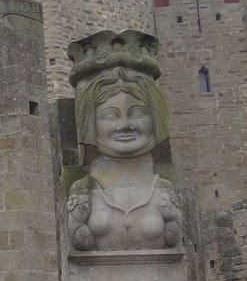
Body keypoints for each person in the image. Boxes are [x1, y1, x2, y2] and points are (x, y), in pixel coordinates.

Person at [67, 65, 181, 251]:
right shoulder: (83, 189)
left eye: (137, 113)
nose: (125, 126)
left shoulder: (164, 188)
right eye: (110, 116)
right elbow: (77, 236)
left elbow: (174, 237)